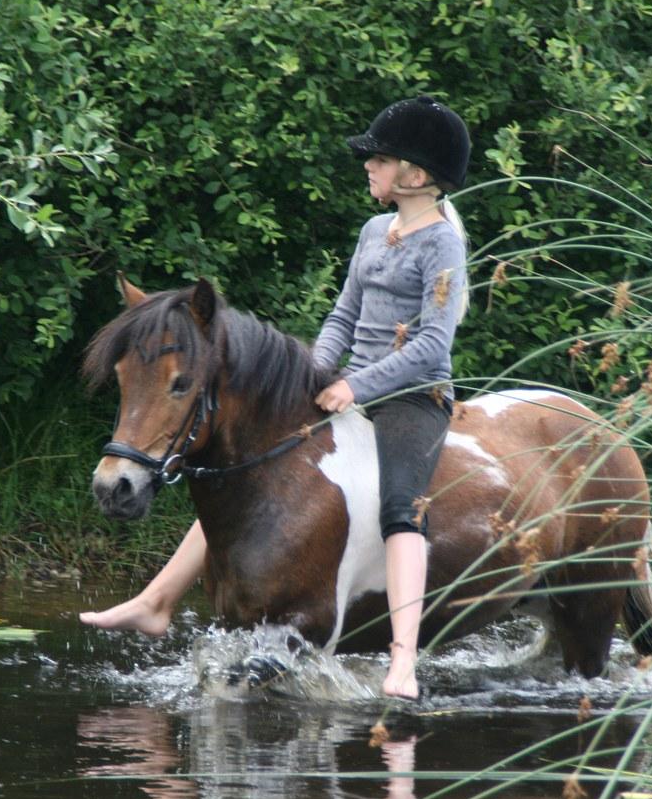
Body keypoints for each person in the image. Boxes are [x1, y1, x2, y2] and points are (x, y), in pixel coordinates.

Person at [81, 95, 470, 700]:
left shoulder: (443, 245)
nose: (368, 166)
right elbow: (344, 314)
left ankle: (401, 660)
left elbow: (431, 345)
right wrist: (314, 375)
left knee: (402, 508)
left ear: (415, 176)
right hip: (347, 388)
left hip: (413, 398)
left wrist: (354, 385)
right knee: (244, 470)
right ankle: (155, 601)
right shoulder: (376, 229)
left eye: (380, 159)